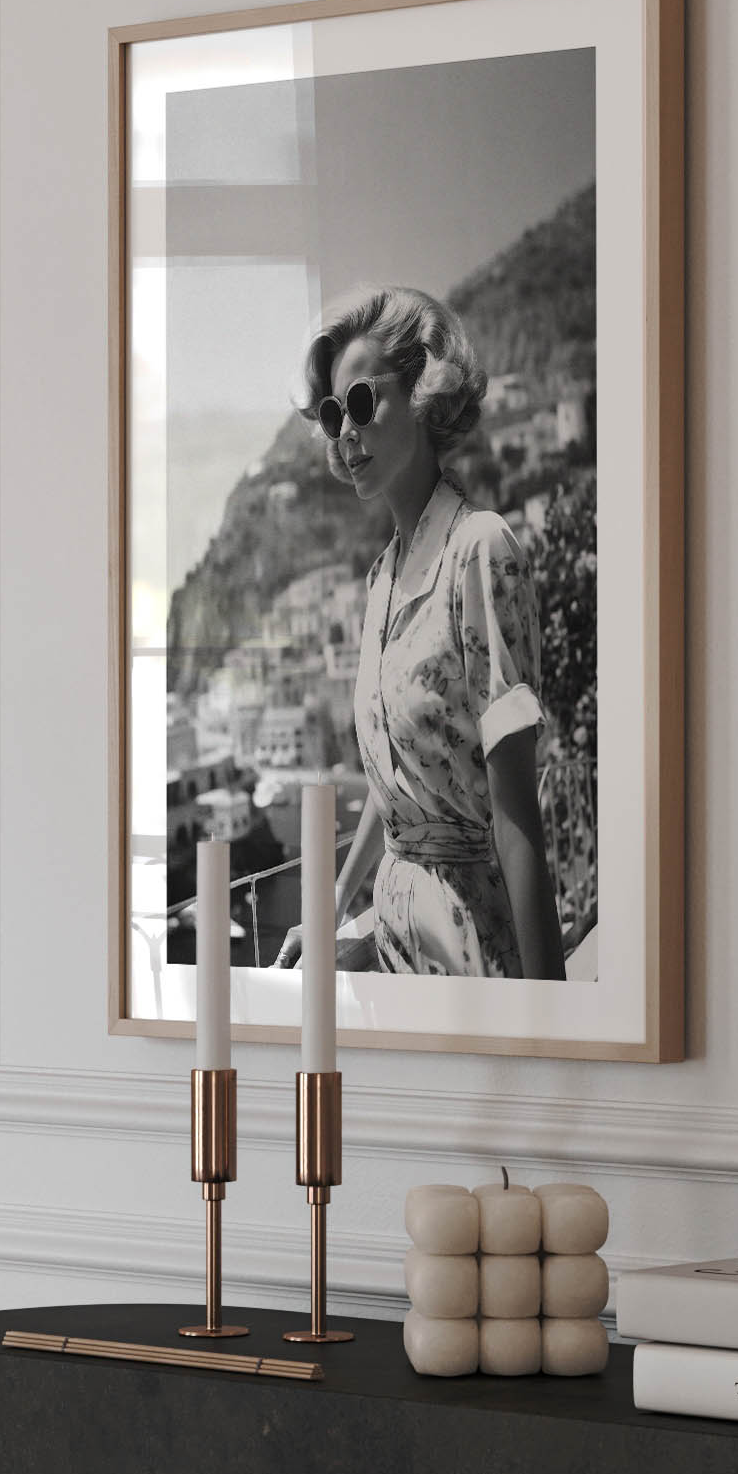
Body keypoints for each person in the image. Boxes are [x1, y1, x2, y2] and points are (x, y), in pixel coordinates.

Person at [277, 286, 565, 980]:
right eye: (330, 414)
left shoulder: (479, 550)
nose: (345, 429)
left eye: (362, 402)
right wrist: (329, 909)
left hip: (472, 952)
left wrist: (551, 1016)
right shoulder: (379, 583)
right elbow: (397, 782)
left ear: (423, 393)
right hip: (395, 948)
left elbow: (516, 812)